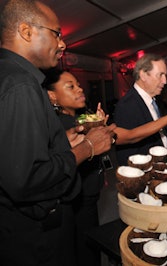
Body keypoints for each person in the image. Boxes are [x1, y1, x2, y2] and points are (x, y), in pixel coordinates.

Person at [0, 1, 116, 265]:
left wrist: (60, 144)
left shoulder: (9, 76)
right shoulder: (20, 85)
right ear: (27, 32)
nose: (63, 44)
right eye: (57, 33)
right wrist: (86, 147)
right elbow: (26, 179)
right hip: (35, 239)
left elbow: (12, 155)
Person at [43, 68, 110, 266]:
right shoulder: (60, 126)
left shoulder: (80, 119)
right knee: (84, 251)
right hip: (76, 201)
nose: (79, 89)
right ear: (52, 96)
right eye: (70, 87)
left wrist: (98, 127)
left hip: (87, 196)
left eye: (78, 85)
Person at [114, 53, 167, 165]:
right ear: (143, 75)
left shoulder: (154, 99)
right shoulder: (127, 105)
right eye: (160, 75)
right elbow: (129, 144)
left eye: (165, 75)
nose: (165, 81)